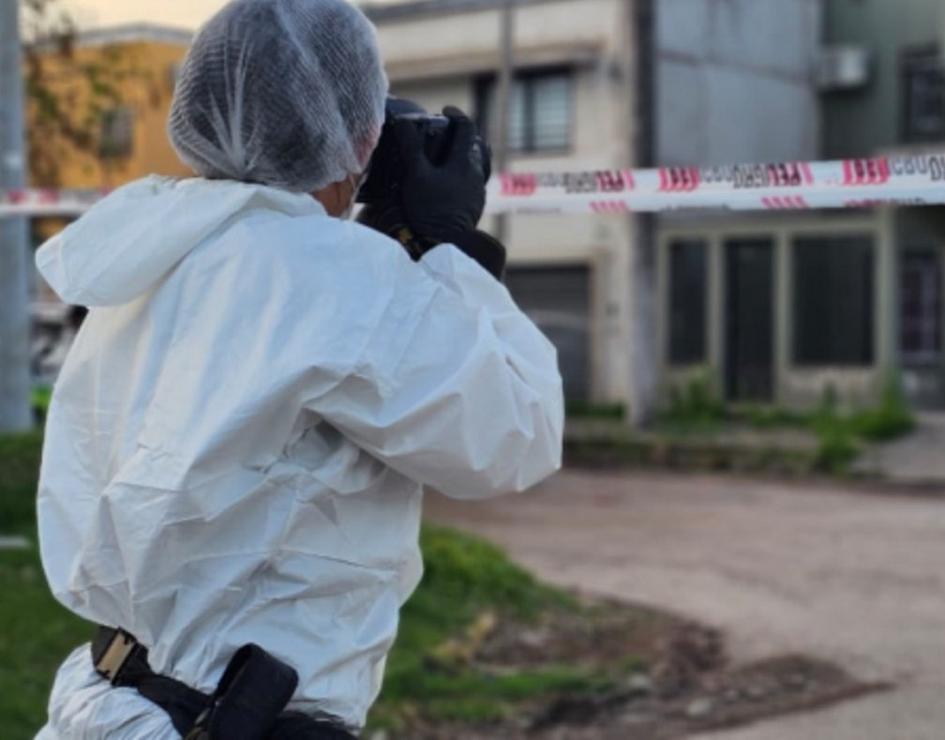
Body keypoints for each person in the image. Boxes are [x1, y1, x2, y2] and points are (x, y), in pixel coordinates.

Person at [32, 0, 563, 737]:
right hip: (227, 720)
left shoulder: (152, 249)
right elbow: (515, 434)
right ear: (359, 134)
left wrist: (394, 252)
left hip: (109, 696)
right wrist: (448, 250)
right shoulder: (339, 277)